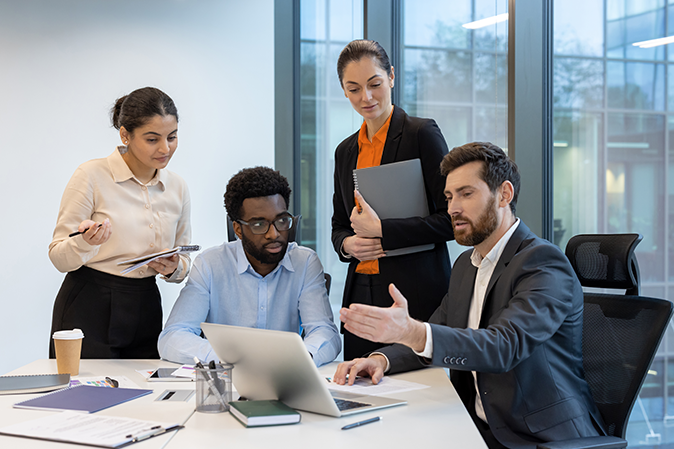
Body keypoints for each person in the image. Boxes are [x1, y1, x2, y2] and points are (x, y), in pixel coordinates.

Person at [334, 142, 605, 449]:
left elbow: (504, 346)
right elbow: (441, 331)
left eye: (466, 193)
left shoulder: (542, 262)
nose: (452, 208)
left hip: (537, 437)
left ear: (504, 194)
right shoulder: (467, 264)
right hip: (475, 427)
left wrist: (411, 330)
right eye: (449, 197)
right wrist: (382, 358)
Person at [332, 39, 454, 360]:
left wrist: (383, 229)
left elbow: (450, 220)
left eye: (374, 84)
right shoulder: (346, 151)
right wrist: (348, 245)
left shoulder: (421, 134)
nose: (366, 97)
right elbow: (338, 226)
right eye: (354, 88)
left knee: (417, 395)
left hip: (412, 292)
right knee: (358, 386)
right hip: (360, 290)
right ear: (344, 90)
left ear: (391, 77)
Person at [49, 87, 191, 359]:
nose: (165, 148)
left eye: (172, 137)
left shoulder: (178, 187)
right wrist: (84, 243)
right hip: (89, 303)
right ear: (125, 135)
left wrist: (174, 268)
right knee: (84, 396)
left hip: (147, 303)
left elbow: (183, 261)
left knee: (145, 395)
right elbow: (58, 257)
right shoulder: (90, 175)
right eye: (152, 139)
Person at [158, 166, 341, 366]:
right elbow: (173, 336)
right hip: (227, 381)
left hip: (286, 379)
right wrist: (229, 359)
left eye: (281, 221)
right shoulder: (210, 264)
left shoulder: (305, 263)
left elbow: (325, 332)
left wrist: (300, 359)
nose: (274, 234)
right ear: (237, 228)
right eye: (259, 225)